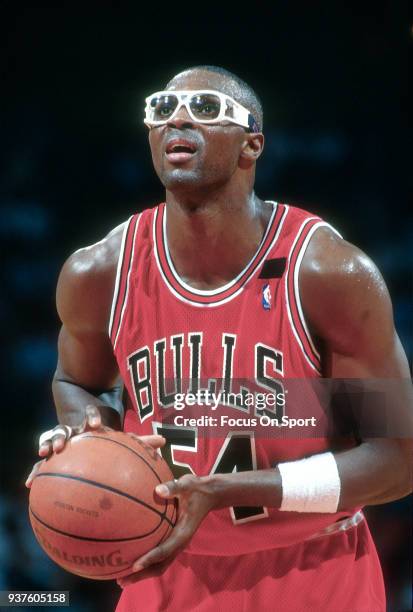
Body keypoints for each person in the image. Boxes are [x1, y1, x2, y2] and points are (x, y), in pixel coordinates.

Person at [26, 65, 412, 612]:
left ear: (251, 144)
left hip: (312, 567)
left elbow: (397, 461)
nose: (178, 118)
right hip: (162, 568)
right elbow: (75, 381)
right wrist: (86, 432)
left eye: (206, 109)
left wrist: (228, 491)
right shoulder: (99, 272)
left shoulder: (327, 273)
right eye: (161, 109)